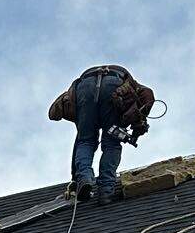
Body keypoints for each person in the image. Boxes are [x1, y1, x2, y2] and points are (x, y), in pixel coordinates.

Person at [49, 65, 154, 202]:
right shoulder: (140, 90)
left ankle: (85, 177)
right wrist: (137, 126)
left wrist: (77, 178)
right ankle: (106, 190)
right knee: (111, 143)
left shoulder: (70, 100)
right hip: (114, 84)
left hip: (84, 88)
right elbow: (148, 96)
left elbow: (77, 141)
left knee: (85, 141)